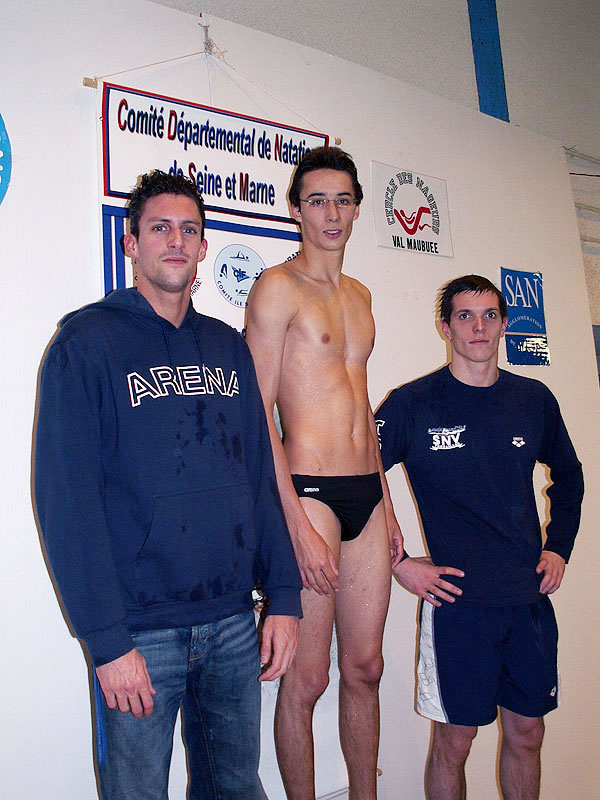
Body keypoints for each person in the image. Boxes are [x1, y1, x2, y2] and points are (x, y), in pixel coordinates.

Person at [34, 170, 302, 800]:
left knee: (236, 789)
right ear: (131, 243)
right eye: (160, 228)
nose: (176, 241)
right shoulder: (86, 344)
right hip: (139, 633)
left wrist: (284, 596)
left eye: (189, 230)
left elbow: (259, 480)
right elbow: (66, 502)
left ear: (204, 246)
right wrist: (106, 641)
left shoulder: (229, 348)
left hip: (232, 622)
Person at [245, 146, 454, 799]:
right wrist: (293, 526)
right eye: (317, 201)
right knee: (306, 681)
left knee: (366, 668)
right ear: (296, 210)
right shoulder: (277, 288)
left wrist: (386, 504)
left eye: (342, 201)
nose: (331, 214)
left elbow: (359, 403)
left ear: (359, 209)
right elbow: (257, 414)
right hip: (308, 495)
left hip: (366, 491)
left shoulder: (360, 296)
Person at [376, 274, 584, 800]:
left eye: (490, 315)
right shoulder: (413, 404)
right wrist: (399, 561)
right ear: (445, 328)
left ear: (505, 324)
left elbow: (570, 475)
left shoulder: (532, 399)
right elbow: (360, 474)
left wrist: (558, 546)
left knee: (528, 735)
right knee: (455, 743)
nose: (478, 327)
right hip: (458, 606)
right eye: (465, 316)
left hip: (526, 599)